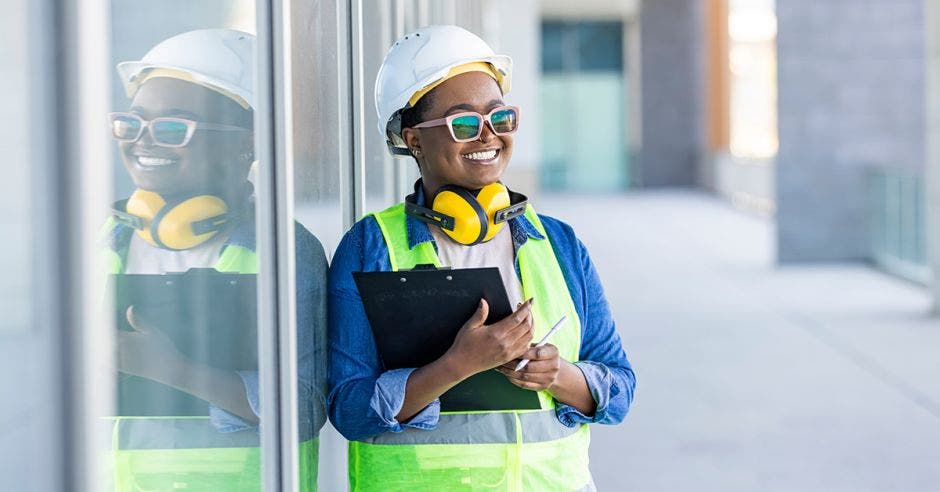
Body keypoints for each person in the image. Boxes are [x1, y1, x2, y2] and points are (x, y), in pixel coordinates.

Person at [328, 25, 636, 491]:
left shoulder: (558, 243)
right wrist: (456, 366)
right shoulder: (370, 246)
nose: (488, 136)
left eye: (501, 118)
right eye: (464, 124)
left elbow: (620, 390)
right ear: (413, 140)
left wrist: (557, 375)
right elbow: (350, 410)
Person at [103, 28, 326, 491]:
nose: (144, 142)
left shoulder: (286, 251)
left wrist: (171, 370)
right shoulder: (102, 244)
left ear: (247, 143)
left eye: (172, 129)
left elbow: (304, 408)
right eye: (131, 124)